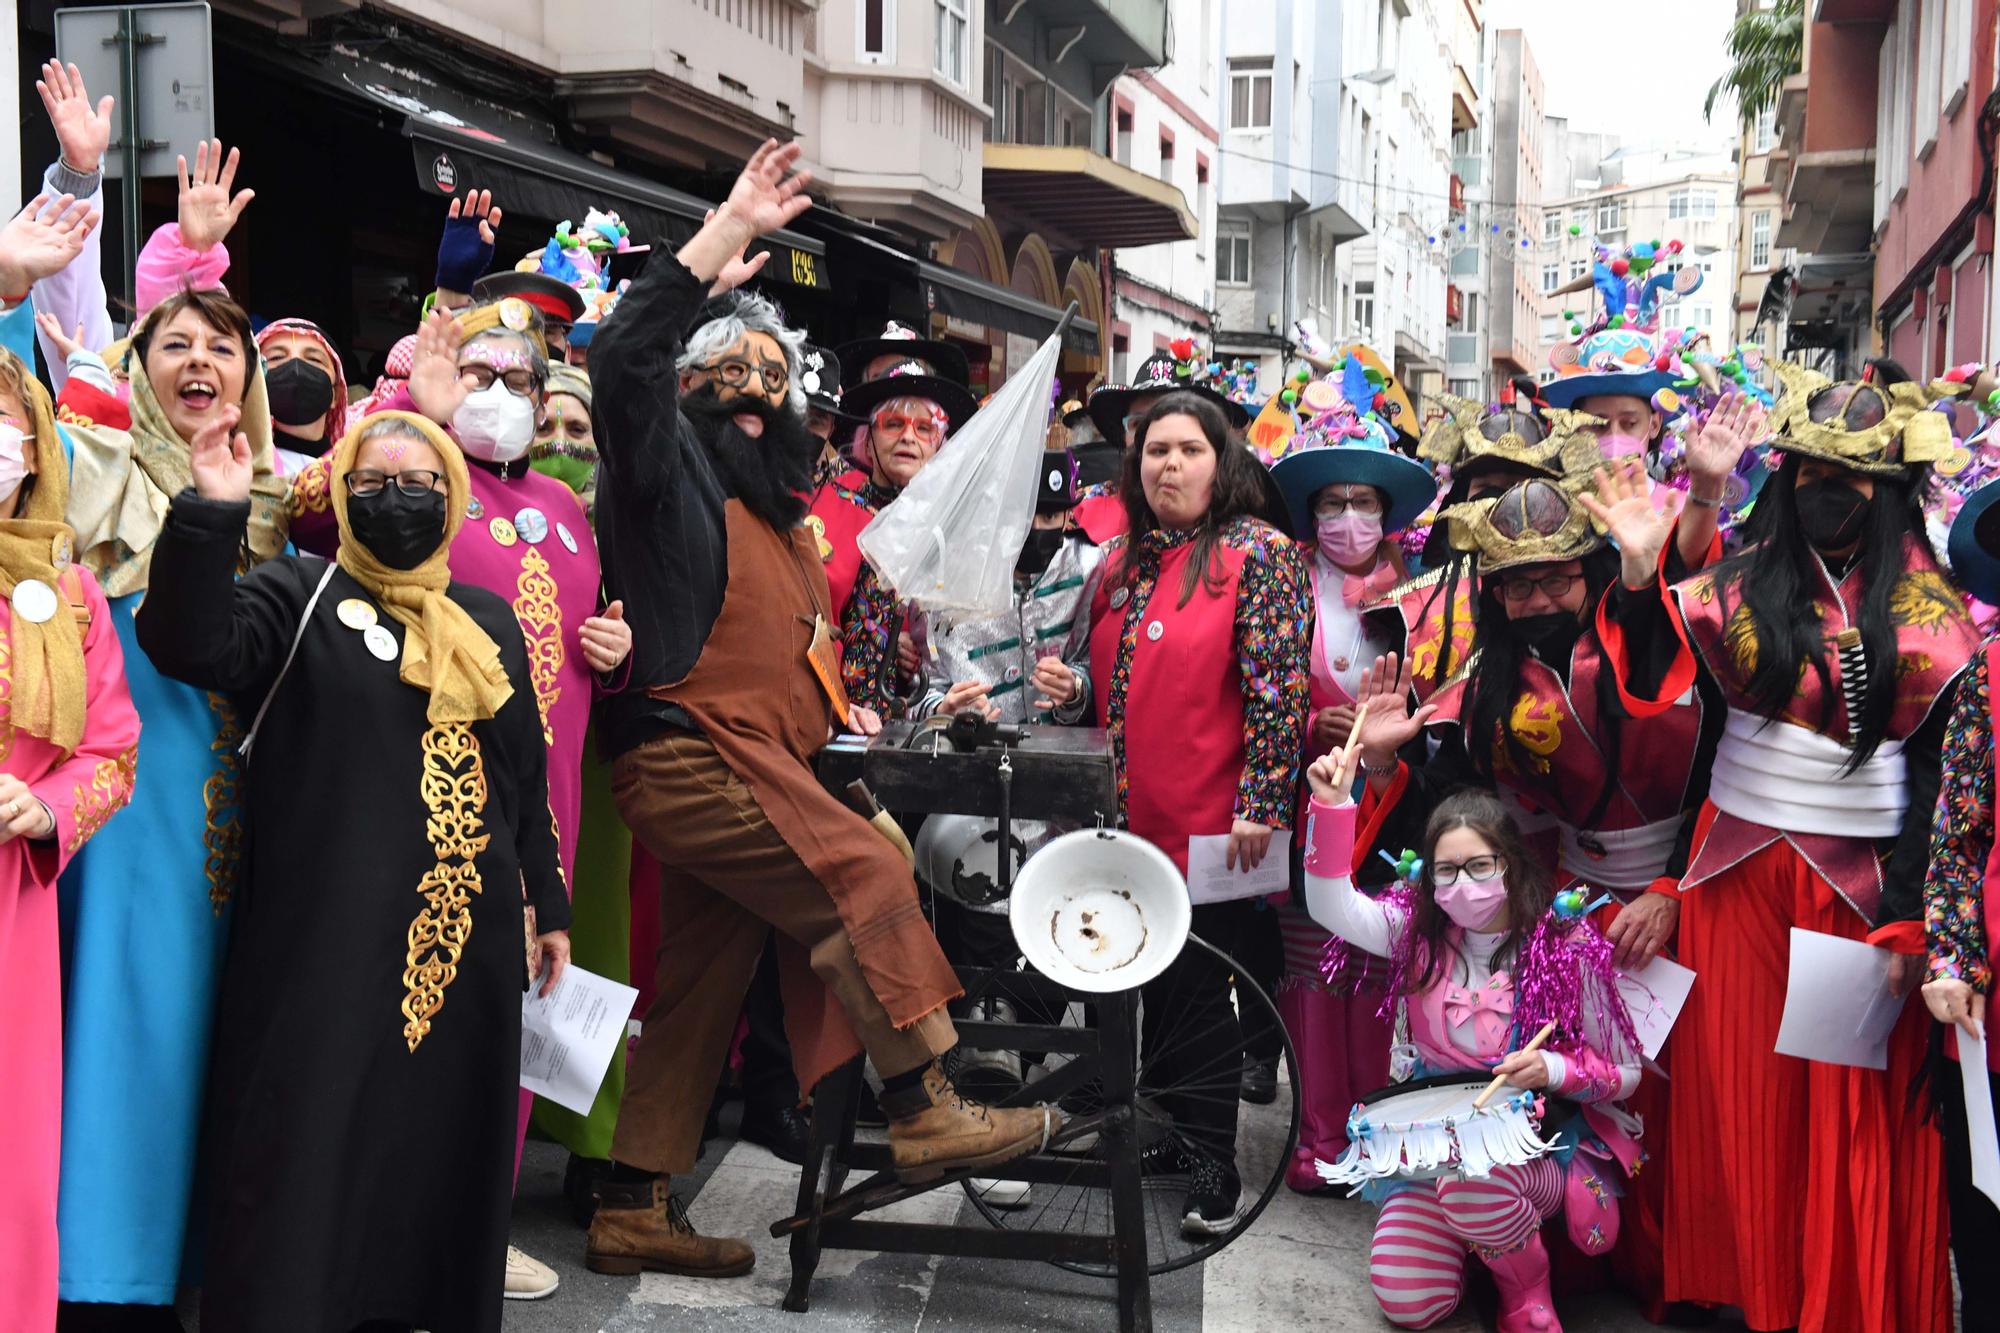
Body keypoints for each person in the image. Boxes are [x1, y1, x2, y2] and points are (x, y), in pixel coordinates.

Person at [585, 139, 1055, 1277]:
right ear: (685, 398)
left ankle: (632, 1200)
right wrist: (716, 239)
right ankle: (924, 1101)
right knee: (864, 874)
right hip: (692, 755)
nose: (749, 401)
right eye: (721, 384)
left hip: (765, 763)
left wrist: (847, 764)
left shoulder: (791, 522)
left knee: (700, 977)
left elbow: (807, 669)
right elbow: (621, 359)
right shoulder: (664, 482)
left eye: (769, 384)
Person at [137, 408, 569, 1333]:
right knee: (313, 1133)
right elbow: (189, 643)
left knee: (441, 1142)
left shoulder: (483, 616)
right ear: (338, 494)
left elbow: (523, 776)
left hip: (465, 947)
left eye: (419, 481)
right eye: (372, 480)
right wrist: (207, 515)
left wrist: (553, 902)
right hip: (324, 945)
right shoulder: (297, 591)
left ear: (450, 495)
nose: (396, 495)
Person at [1585, 361, 1972, 1333]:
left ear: (1889, 495)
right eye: (1807, 474)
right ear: (1784, 480)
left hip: (1859, 891)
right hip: (1728, 883)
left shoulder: (1937, 619)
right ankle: (1740, 1294)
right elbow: (1671, 701)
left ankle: (1824, 1302)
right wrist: (1652, 560)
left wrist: (1907, 917)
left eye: (1852, 481)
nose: (1827, 495)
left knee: (1835, 1111)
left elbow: (1937, 786)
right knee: (1731, 1102)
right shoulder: (1735, 583)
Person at [290, 298, 630, 1299]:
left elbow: (580, 649)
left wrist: (613, 658)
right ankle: (405, 1224)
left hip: (542, 793)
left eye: (516, 381)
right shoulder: (421, 480)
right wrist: (409, 403)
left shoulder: (569, 514)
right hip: (427, 793)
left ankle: (481, 1219)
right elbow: (314, 508)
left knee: (514, 1005)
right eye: (476, 376)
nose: (497, 397)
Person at [55, 281, 291, 1318]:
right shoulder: (93, 473)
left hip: (250, 813)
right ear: (137, 368)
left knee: (226, 1038)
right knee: (127, 1026)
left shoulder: (287, 501)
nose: (201, 364)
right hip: (131, 816)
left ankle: (203, 1264)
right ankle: (107, 1275)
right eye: (175, 345)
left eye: (224, 349)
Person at [1302, 773, 1641, 1333]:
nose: (1463, 884)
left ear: (1509, 861)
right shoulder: (1415, 936)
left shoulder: (1562, 944)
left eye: (1479, 866)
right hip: (1433, 1150)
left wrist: (1552, 1068)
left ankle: (1524, 1291)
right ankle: (1476, 1247)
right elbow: (1330, 905)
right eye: (1446, 870)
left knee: (1472, 1181)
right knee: (1408, 1302)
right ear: (1428, 877)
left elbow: (1627, 1073)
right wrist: (1333, 805)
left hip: (1532, 1150)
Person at [1086, 389, 1309, 1234]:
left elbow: (1278, 691)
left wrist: (1260, 800)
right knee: (1147, 976)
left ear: (1223, 463)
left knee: (1200, 987)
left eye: (1188, 450)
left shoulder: (1259, 553)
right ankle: (1176, 1133)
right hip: (1128, 818)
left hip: (1217, 817)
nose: (1168, 465)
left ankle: (1217, 1164)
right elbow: (1111, 683)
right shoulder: (1122, 561)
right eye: (1154, 452)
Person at [1262, 361, 1433, 1193]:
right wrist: (1307, 729)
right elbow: (1253, 685)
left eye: (1364, 502)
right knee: (1309, 965)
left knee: (1379, 963)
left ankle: (1378, 1130)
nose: (1348, 518)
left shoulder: (1424, 593)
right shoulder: (1284, 581)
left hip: (1395, 808)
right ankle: (1318, 1133)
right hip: (1308, 801)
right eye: (1332, 503)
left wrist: (1389, 741)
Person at [0, 345, 142, 1333]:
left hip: (13, 907)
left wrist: (47, 806)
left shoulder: (70, 597)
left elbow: (110, 751)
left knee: (11, 1157)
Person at [1916, 474, 2000, 1326]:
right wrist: (1952, 957)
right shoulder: (1991, 674)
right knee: (1987, 1230)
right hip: (1994, 1018)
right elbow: (1956, 836)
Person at [824, 359, 978, 715]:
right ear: (869, 436)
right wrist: (885, 638)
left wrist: (916, 646)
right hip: (831, 716)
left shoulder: (952, 526)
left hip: (921, 721)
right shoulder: (834, 505)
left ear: (940, 442)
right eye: (893, 424)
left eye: (924, 428)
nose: (908, 437)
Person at [1075, 345, 1250, 543]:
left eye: (1171, 421)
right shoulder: (1084, 507)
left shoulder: (1247, 540)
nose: (1153, 436)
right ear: (1123, 434)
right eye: (1139, 424)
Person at [257, 317, 348, 474]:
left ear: (336, 394)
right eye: (276, 357)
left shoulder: (353, 470)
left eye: (314, 359)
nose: (296, 367)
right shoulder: (243, 465)